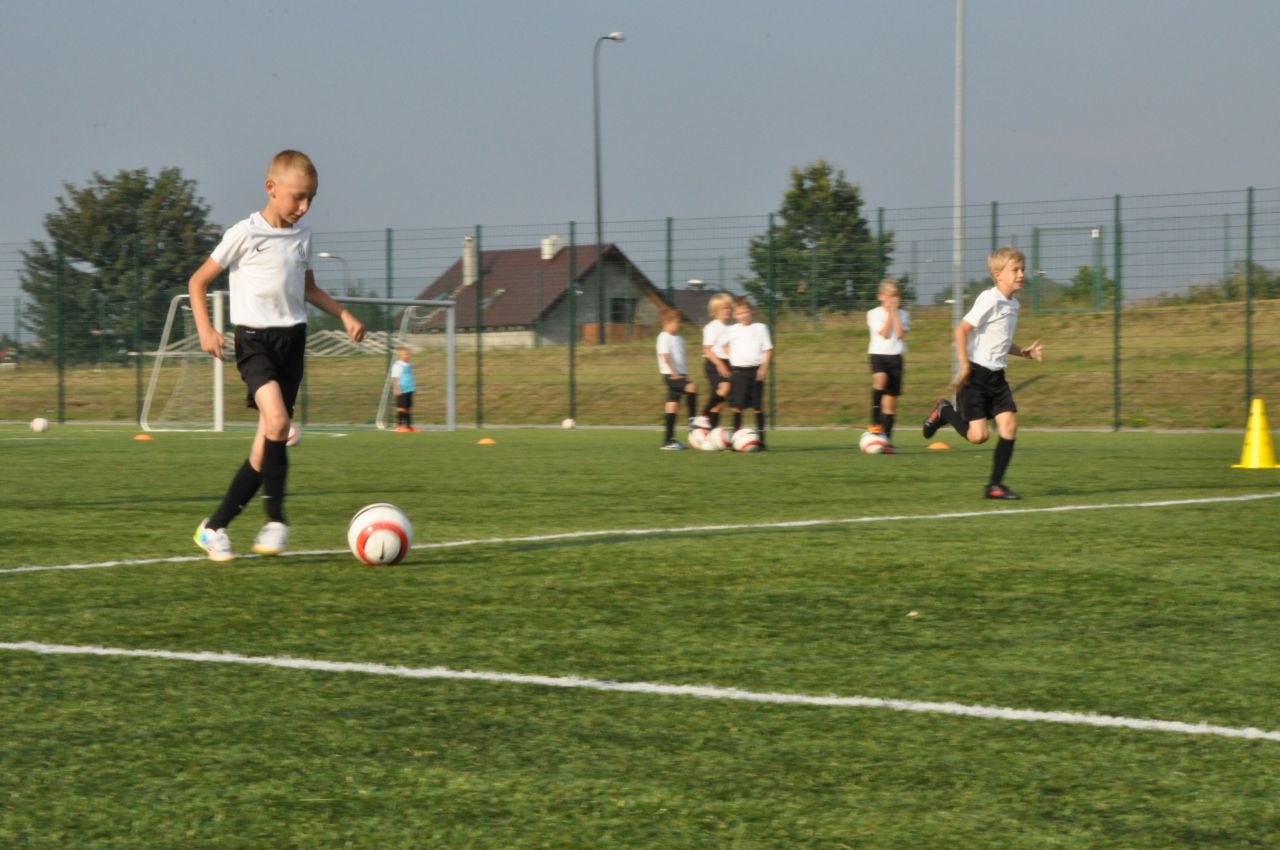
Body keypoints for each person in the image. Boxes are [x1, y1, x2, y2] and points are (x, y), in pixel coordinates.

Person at [190, 150, 366, 561]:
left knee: (263, 448)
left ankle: (213, 528)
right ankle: (275, 520)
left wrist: (343, 314)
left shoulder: (303, 236)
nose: (304, 207)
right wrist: (205, 329)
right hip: (254, 342)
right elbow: (198, 281)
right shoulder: (245, 233)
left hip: (293, 343)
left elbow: (308, 289)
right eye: (297, 197)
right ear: (271, 188)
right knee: (280, 422)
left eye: (311, 199)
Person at [922, 245, 1043, 499]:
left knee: (1009, 426)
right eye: (1015, 270)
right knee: (978, 437)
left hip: (997, 377)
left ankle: (994, 486)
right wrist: (965, 365)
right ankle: (944, 410)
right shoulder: (989, 299)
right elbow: (961, 330)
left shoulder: (1014, 304)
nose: (1021, 274)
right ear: (998, 274)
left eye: (1023, 269)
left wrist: (1023, 352)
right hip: (976, 376)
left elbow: (1000, 342)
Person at [866, 278, 909, 444]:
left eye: (895, 296)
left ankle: (887, 440)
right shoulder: (873, 313)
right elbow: (884, 333)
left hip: (895, 357)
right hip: (878, 355)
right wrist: (889, 313)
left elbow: (900, 334)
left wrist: (894, 313)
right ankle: (875, 420)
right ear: (881, 296)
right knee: (880, 378)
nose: (892, 299)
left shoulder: (903, 314)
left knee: (890, 403)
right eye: (888, 296)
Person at [726, 296, 773, 449]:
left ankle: (761, 440)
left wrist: (763, 368)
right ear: (735, 315)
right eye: (739, 313)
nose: (743, 316)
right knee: (737, 406)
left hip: (755, 372)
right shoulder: (731, 330)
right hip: (738, 372)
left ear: (751, 311)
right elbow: (722, 346)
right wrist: (732, 358)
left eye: (745, 312)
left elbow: (768, 350)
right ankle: (735, 440)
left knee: (757, 406)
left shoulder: (760, 328)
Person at [656, 306, 698, 450]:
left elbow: (681, 359)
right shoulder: (663, 337)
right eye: (677, 322)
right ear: (667, 322)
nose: (679, 325)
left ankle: (668, 441)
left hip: (680, 375)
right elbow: (665, 357)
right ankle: (692, 421)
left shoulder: (679, 338)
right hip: (671, 375)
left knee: (672, 406)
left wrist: (685, 375)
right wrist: (674, 374)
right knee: (692, 388)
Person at [699, 292, 734, 428]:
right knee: (724, 388)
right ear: (715, 311)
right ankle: (703, 416)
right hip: (714, 363)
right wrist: (720, 364)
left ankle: (710, 431)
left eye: (729, 308)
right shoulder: (712, 327)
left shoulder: (732, 328)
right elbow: (707, 350)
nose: (727, 311)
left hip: (728, 363)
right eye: (724, 308)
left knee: (720, 403)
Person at [391, 346, 418, 432]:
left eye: (407, 354)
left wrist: (413, 387)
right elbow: (394, 378)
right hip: (401, 389)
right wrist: (396, 388)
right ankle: (399, 426)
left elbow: (411, 377)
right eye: (404, 354)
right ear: (400, 355)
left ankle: (409, 426)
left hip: (409, 389)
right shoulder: (397, 365)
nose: (406, 356)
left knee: (408, 408)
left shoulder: (408, 365)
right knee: (401, 407)